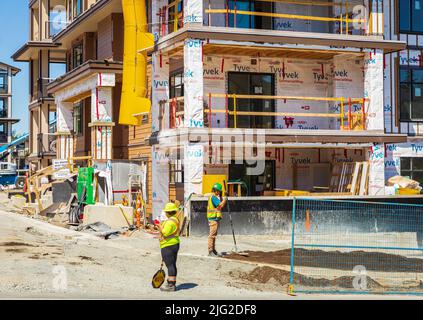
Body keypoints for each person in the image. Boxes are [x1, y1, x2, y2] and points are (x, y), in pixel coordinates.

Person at [154, 202, 180, 292]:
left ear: (168, 212)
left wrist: (159, 226)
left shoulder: (169, 222)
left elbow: (165, 232)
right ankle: (171, 281)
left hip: (168, 245)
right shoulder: (175, 219)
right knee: (172, 264)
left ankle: (171, 285)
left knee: (170, 265)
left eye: (166, 212)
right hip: (174, 243)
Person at [207, 183, 227, 257]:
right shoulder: (214, 197)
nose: (219, 192)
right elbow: (220, 205)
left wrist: (222, 197)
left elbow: (219, 204)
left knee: (214, 235)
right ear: (216, 191)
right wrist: (225, 198)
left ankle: (213, 250)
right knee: (212, 235)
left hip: (214, 218)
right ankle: (210, 251)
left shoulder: (213, 196)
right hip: (213, 218)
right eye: (218, 191)